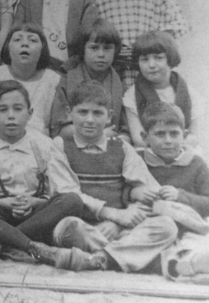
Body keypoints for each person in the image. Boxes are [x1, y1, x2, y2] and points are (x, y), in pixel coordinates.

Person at [0, 80, 103, 270]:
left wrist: (37, 203)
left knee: (72, 200)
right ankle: (33, 248)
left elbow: (64, 189)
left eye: (18, 109)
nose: (11, 116)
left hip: (36, 218)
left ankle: (2, 244)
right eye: (3, 110)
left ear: (30, 113)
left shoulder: (45, 145)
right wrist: (0, 203)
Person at [50, 82, 178, 273]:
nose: (90, 120)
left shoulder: (121, 148)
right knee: (68, 227)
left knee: (166, 226)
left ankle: (100, 258)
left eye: (98, 113)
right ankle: (128, 257)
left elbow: (150, 191)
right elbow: (66, 193)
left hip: (118, 228)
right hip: (82, 225)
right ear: (69, 113)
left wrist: (119, 222)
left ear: (109, 116)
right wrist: (113, 214)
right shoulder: (60, 145)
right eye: (82, 112)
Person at [136, 102, 209, 279]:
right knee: (140, 249)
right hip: (153, 229)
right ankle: (186, 266)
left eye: (174, 134)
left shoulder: (195, 163)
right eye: (160, 134)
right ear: (145, 137)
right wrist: (135, 194)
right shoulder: (138, 161)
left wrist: (180, 196)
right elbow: (121, 190)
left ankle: (195, 263)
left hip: (189, 228)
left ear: (184, 135)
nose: (168, 140)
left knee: (198, 246)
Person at [0, 23, 61, 140]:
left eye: (33, 40)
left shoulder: (53, 79)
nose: (25, 44)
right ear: (7, 47)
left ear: (42, 49)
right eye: (17, 39)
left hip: (37, 144)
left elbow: (56, 126)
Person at [122, 31, 201, 149]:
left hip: (183, 152)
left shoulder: (189, 93)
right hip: (148, 153)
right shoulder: (132, 95)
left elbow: (194, 137)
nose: (151, 65)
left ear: (170, 59)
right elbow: (139, 139)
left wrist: (172, 146)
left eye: (158, 58)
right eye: (144, 59)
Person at [49, 19, 125, 139]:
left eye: (107, 48)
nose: (101, 54)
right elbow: (58, 130)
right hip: (73, 145)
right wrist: (99, 135)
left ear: (115, 50)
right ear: (82, 49)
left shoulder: (120, 84)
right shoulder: (67, 81)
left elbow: (125, 131)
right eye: (94, 48)